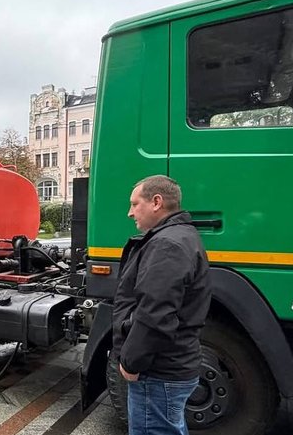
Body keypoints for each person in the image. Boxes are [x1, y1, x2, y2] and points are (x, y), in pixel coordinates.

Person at [112, 175, 211, 435]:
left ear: (156, 202)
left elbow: (154, 316)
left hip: (158, 372)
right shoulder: (181, 236)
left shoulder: (167, 244)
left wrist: (131, 363)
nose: (129, 212)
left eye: (135, 204)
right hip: (171, 365)